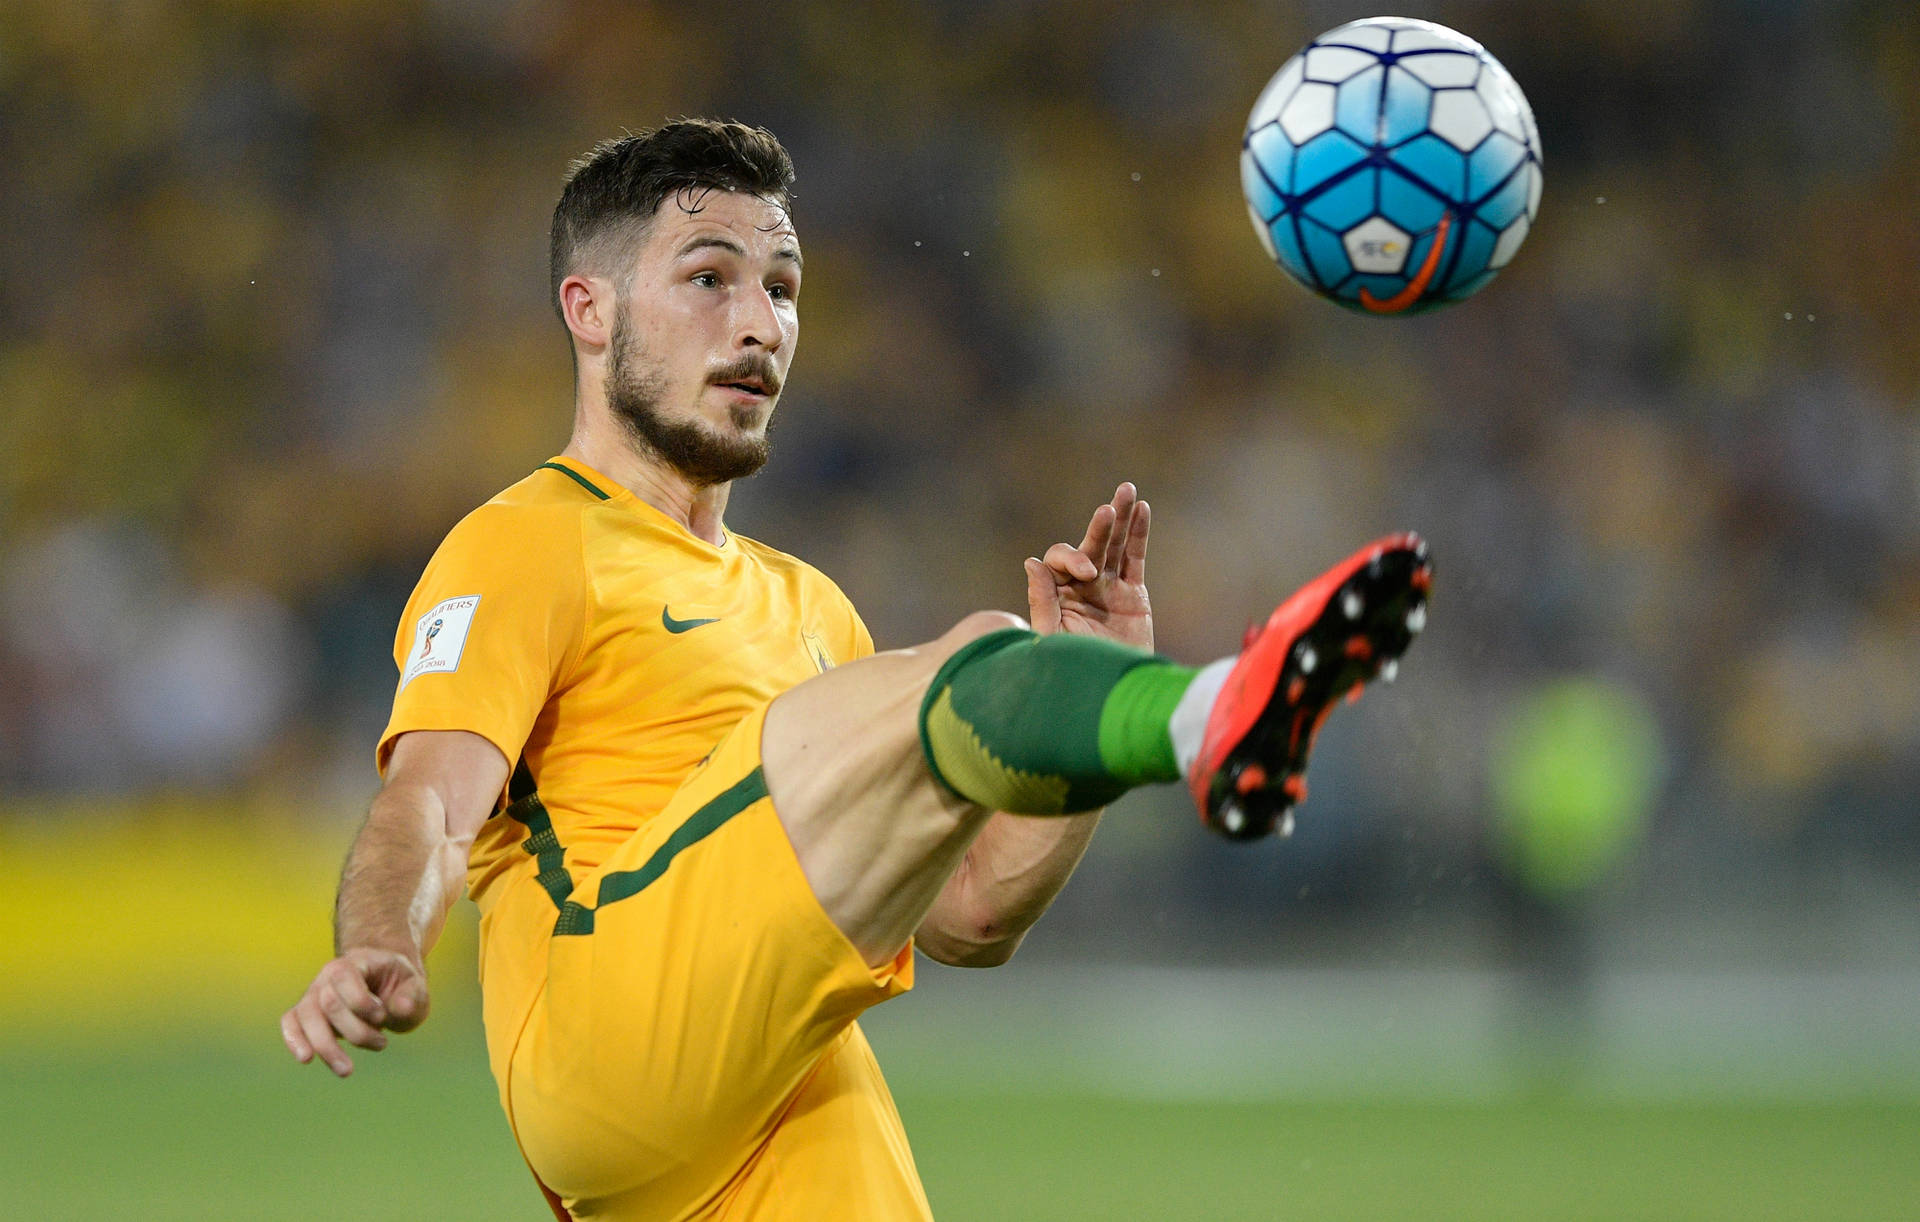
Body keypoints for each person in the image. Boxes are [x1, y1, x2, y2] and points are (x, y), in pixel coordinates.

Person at [279, 119, 1432, 1222]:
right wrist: (379, 942)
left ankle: (1158, 716)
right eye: (709, 278)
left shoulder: (813, 607)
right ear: (590, 308)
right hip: (605, 1031)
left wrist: (1089, 690)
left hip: (780, 1078)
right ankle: (1209, 711)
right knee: (982, 650)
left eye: (783, 288)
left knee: (994, 676)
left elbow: (972, 916)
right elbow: (429, 800)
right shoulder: (526, 539)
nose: (761, 323)